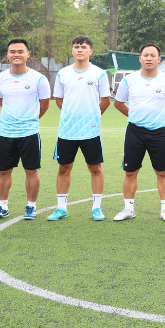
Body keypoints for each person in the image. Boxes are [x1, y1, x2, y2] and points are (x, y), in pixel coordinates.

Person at [113, 43, 165, 221]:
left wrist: (161, 116)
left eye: (153, 55)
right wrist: (134, 115)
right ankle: (128, 209)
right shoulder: (129, 80)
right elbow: (118, 103)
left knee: (162, 172)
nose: (149, 58)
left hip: (158, 132)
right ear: (140, 58)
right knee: (130, 172)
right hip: (134, 132)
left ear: (159, 59)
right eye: (146, 55)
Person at [47, 35, 111, 221]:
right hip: (67, 131)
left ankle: (97, 208)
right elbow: (59, 100)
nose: (80, 50)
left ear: (90, 51)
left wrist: (93, 116)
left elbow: (106, 101)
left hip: (91, 130)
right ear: (72, 50)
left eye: (83, 47)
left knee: (95, 168)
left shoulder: (99, 73)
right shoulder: (63, 74)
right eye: (76, 47)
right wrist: (72, 116)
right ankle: (61, 208)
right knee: (64, 168)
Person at [0, 38, 50, 221]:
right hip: (6, 133)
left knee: (31, 171)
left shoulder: (39, 79)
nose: (16, 55)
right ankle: (2, 207)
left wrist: (30, 120)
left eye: (20, 51)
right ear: (7, 55)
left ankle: (31, 207)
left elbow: (45, 103)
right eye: (12, 51)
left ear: (27, 54)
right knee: (3, 171)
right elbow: (2, 101)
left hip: (29, 133)